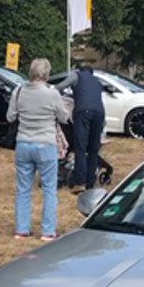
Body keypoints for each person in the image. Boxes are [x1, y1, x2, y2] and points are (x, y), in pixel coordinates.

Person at [7, 58, 70, 240]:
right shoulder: (52, 94)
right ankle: (48, 231)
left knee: (23, 188)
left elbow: (10, 116)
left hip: (23, 143)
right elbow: (64, 117)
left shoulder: (18, 91)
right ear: (46, 74)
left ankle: (21, 229)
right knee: (49, 188)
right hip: (45, 143)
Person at [67, 64, 105, 193]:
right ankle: (90, 183)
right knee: (93, 150)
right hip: (99, 113)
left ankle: (80, 182)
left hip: (83, 112)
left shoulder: (76, 75)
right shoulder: (97, 82)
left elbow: (60, 86)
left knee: (80, 148)